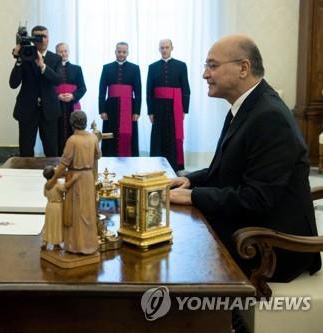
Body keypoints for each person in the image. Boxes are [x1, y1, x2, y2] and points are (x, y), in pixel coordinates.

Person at [169, 34, 321, 282]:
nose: (205, 75)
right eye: (206, 66)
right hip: (253, 227)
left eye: (213, 65)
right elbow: (224, 170)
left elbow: (256, 199)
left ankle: (200, 318)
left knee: (179, 251)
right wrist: (188, 182)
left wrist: (193, 197)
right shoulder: (247, 106)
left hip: (273, 246)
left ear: (243, 68)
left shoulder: (269, 117)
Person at [46, 111, 101, 255]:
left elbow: (63, 164)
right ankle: (90, 244)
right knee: (88, 212)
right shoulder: (93, 138)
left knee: (76, 212)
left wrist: (52, 180)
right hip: (88, 177)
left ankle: (76, 245)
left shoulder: (73, 140)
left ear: (72, 123)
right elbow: (98, 155)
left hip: (75, 178)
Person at [10, 25, 62, 157]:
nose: (42, 39)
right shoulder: (25, 56)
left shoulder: (55, 58)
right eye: (38, 36)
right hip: (27, 110)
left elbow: (58, 80)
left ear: (48, 39)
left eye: (44, 36)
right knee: (26, 149)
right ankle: (26, 176)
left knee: (51, 149)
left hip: (49, 110)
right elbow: (13, 83)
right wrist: (19, 59)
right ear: (32, 39)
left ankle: (52, 177)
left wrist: (43, 66)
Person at [147, 39, 191, 171]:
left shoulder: (181, 65)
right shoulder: (152, 67)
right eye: (162, 48)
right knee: (157, 135)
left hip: (175, 106)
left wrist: (184, 109)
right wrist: (150, 111)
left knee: (173, 135)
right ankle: (156, 165)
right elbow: (149, 91)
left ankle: (174, 165)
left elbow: (186, 88)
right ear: (159, 49)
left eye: (167, 47)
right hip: (158, 106)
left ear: (172, 48)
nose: (164, 50)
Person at [98, 42, 141, 157]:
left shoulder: (135, 68)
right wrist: (102, 110)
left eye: (124, 52)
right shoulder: (107, 68)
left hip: (129, 108)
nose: (121, 54)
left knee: (129, 136)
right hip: (110, 108)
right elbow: (102, 91)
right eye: (119, 51)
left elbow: (138, 92)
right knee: (110, 136)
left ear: (128, 52)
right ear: (115, 51)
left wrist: (137, 111)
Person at [55, 42, 87, 155]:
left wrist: (73, 96)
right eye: (60, 51)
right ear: (56, 53)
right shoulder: (52, 68)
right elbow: (48, 88)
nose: (63, 54)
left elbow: (83, 88)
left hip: (72, 105)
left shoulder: (76, 69)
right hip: (57, 105)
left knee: (73, 132)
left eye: (65, 51)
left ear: (68, 52)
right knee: (57, 133)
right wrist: (57, 96)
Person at [42, 165, 79, 251]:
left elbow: (44, 194)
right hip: (58, 206)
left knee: (49, 224)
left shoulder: (46, 184)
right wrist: (74, 179)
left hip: (49, 205)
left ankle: (46, 241)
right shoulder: (57, 185)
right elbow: (66, 187)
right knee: (58, 224)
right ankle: (57, 242)